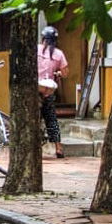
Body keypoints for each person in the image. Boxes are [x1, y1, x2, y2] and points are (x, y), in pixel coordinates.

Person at [37, 26, 69, 158]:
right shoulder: (58, 54)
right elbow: (65, 73)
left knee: (33, 118)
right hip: (48, 90)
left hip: (35, 88)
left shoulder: (35, 49)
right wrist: (58, 73)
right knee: (51, 119)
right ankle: (58, 147)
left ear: (43, 38)